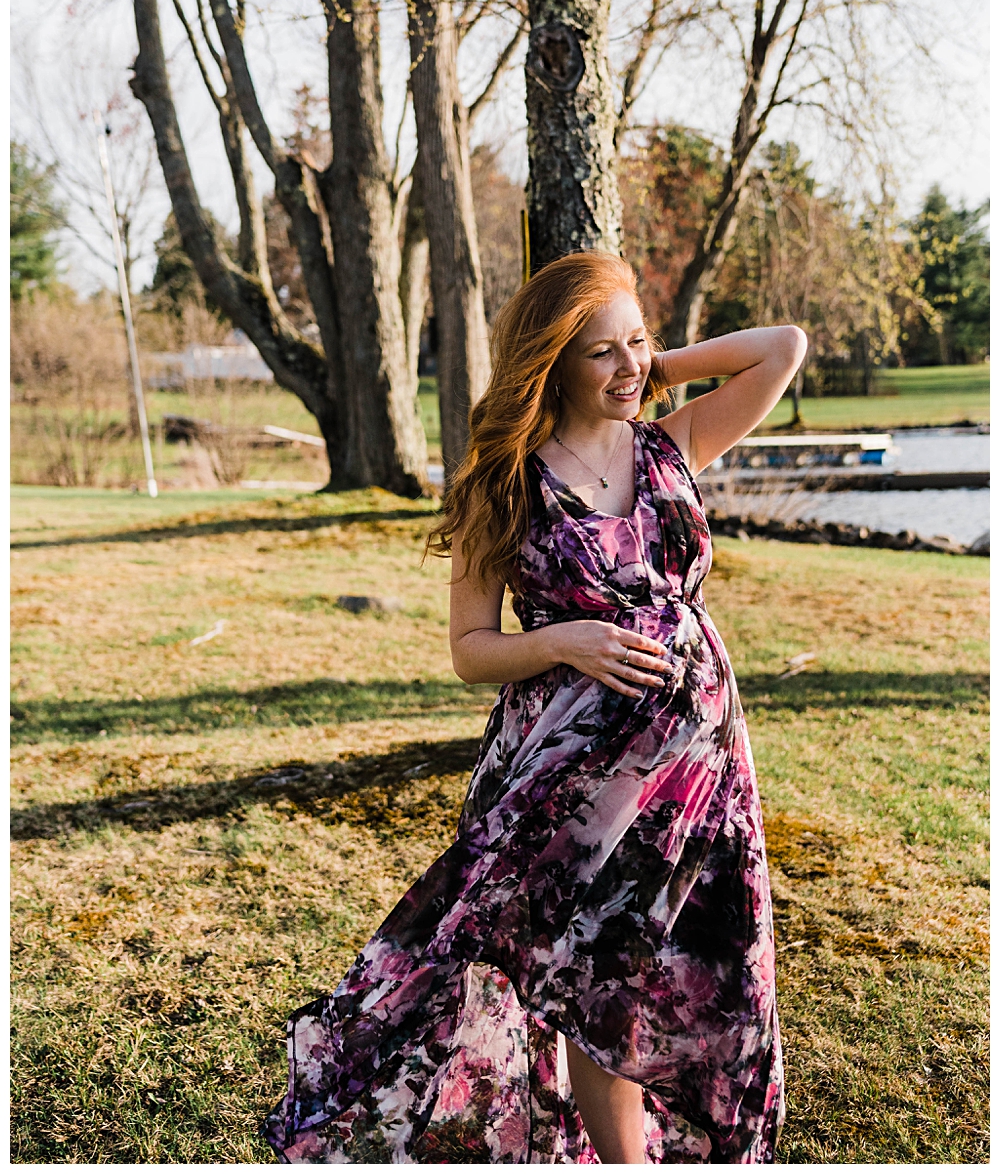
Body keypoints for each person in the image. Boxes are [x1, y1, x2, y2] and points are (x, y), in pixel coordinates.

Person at [263, 251, 806, 1164]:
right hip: (572, 779)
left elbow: (782, 348)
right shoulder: (504, 483)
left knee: (672, 971)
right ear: (551, 360)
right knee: (602, 981)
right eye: (600, 353)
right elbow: (470, 649)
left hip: (698, 773)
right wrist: (562, 641)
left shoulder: (671, 446)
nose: (628, 365)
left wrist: (647, 364)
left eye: (638, 343)